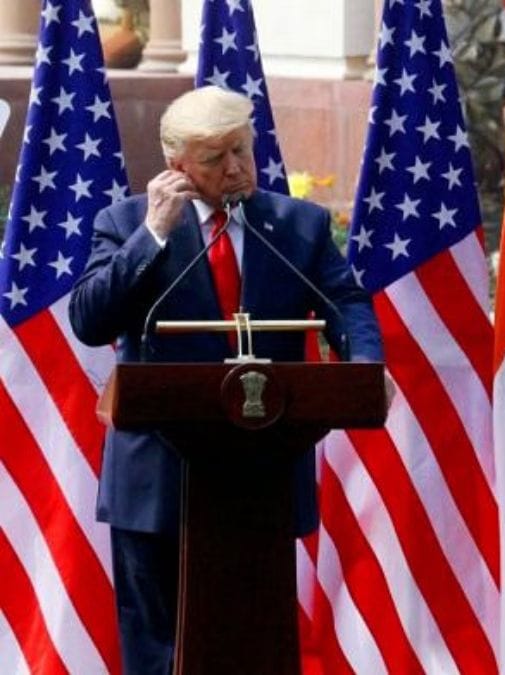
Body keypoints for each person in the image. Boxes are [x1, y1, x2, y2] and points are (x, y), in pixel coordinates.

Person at [69, 86, 383, 674]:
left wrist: (364, 367)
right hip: (158, 481)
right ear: (177, 166)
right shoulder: (126, 223)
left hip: (261, 471)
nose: (236, 168)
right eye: (215, 159)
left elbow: (345, 302)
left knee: (254, 642)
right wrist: (153, 235)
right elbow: (90, 321)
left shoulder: (298, 225)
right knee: (161, 649)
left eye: (242, 149)